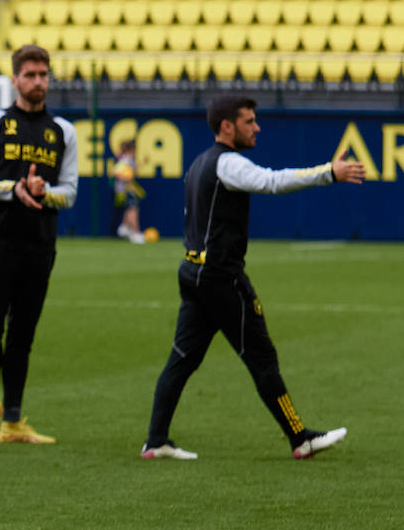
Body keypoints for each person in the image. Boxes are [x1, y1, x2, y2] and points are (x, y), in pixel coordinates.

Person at [141, 97, 363, 461]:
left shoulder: (199, 163)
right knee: (262, 358)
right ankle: (300, 438)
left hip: (193, 272)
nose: (257, 127)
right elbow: (271, 182)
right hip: (221, 279)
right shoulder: (228, 163)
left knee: (181, 360)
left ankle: (156, 441)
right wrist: (329, 173)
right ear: (227, 126)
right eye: (249, 121)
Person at [0, 44, 77, 444]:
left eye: (43, 75)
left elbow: (71, 191)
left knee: (23, 335)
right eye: (29, 75)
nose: (37, 82)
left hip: (39, 247)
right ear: (14, 80)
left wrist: (44, 192)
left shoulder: (63, 131)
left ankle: (12, 420)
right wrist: (15, 189)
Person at [111, 138, 145, 244]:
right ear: (132, 150)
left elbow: (132, 170)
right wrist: (126, 176)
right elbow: (115, 172)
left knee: (129, 208)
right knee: (133, 209)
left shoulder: (127, 159)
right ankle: (135, 232)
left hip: (125, 190)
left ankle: (124, 227)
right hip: (125, 191)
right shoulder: (126, 159)